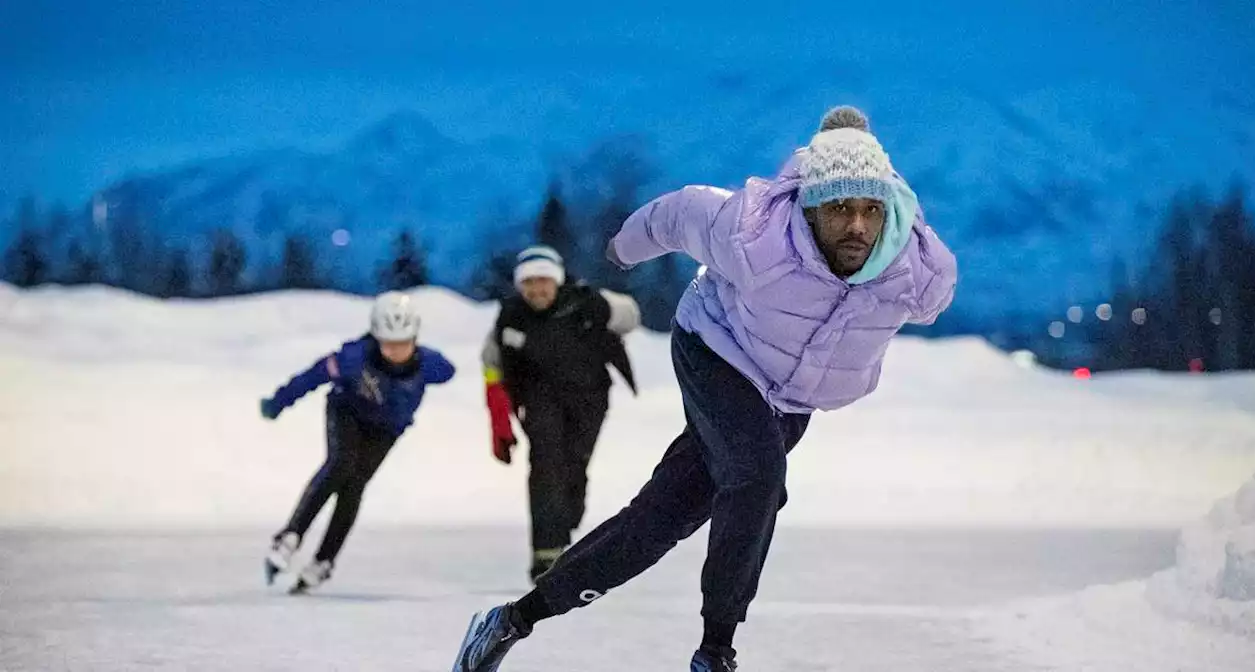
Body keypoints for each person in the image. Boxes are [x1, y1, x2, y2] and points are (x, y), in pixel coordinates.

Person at [450, 106, 958, 671]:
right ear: (810, 205)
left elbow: (934, 288)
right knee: (759, 476)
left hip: (787, 401)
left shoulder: (913, 268)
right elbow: (679, 212)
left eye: (870, 209)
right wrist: (622, 249)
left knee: (658, 521)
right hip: (714, 352)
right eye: (839, 207)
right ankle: (716, 652)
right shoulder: (754, 233)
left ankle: (510, 622)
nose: (858, 227)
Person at [259, 291, 456, 594]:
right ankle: (290, 536)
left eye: (403, 343)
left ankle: (324, 560)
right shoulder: (353, 357)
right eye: (388, 344)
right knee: (340, 464)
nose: (396, 351)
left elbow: (449, 371)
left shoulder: (431, 365)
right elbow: (311, 376)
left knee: (355, 485)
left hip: (387, 430)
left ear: (415, 338)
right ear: (376, 337)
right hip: (347, 413)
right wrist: (277, 402)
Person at [481, 245, 641, 582]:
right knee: (544, 465)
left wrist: (605, 306)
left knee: (574, 464)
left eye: (543, 281)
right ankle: (545, 553)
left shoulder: (584, 302)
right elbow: (491, 362)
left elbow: (630, 316)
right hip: (539, 398)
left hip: (590, 398)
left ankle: (565, 520)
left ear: (556, 280)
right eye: (528, 283)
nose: (536, 290)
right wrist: (499, 418)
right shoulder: (511, 316)